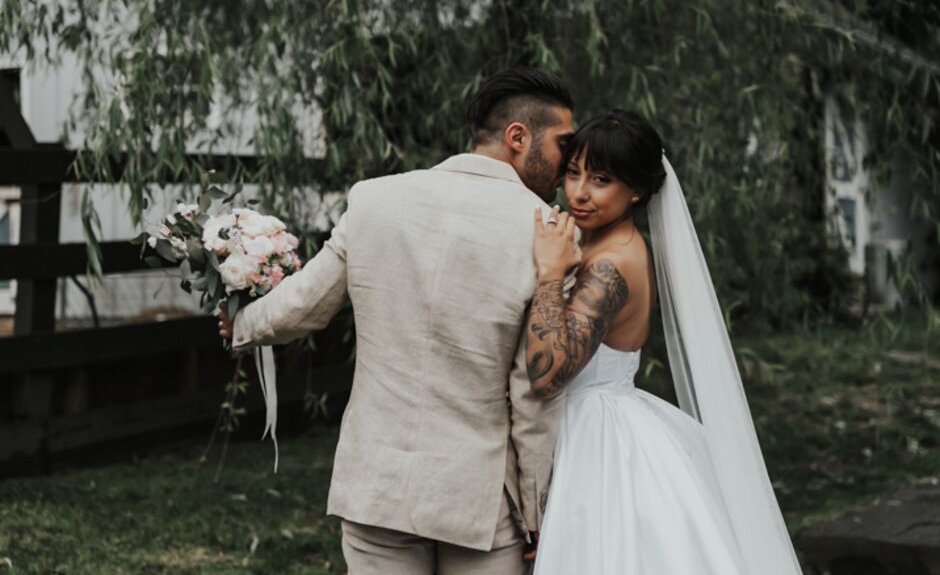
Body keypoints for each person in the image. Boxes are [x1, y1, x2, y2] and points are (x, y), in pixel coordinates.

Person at [218, 67, 574, 574]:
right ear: (518, 137)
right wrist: (538, 511)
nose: (569, 162)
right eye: (563, 143)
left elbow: (304, 303)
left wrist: (242, 324)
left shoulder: (374, 200)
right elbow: (534, 392)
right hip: (478, 498)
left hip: (377, 484)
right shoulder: (548, 234)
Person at [527, 109, 803, 574]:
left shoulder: (613, 263)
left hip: (596, 437)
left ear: (635, 189)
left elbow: (548, 373)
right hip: (598, 418)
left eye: (601, 180)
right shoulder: (595, 242)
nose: (579, 192)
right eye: (573, 173)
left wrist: (550, 274)